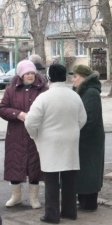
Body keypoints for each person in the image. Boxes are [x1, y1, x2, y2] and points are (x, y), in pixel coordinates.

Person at [25, 64, 87, 224]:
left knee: (51, 179)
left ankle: (52, 215)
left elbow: (30, 121)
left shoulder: (44, 97)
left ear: (49, 77)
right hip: (70, 140)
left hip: (49, 142)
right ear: (65, 76)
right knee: (69, 178)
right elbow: (83, 119)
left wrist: (35, 135)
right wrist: (73, 130)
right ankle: (69, 211)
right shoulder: (74, 96)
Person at [0, 60, 48, 209]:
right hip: (16, 133)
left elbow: (49, 107)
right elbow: (2, 108)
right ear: (21, 75)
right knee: (15, 164)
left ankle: (34, 198)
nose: (30, 76)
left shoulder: (43, 89)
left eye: (32, 73)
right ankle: (16, 196)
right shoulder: (11, 89)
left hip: (36, 133)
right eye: (27, 73)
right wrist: (18, 114)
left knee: (35, 165)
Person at [71, 65, 105, 211]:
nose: (73, 80)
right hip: (84, 138)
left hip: (90, 140)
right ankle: (84, 201)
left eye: (76, 76)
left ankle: (89, 204)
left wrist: (77, 133)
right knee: (84, 172)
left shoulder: (91, 93)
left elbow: (90, 119)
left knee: (89, 172)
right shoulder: (83, 91)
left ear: (84, 77)